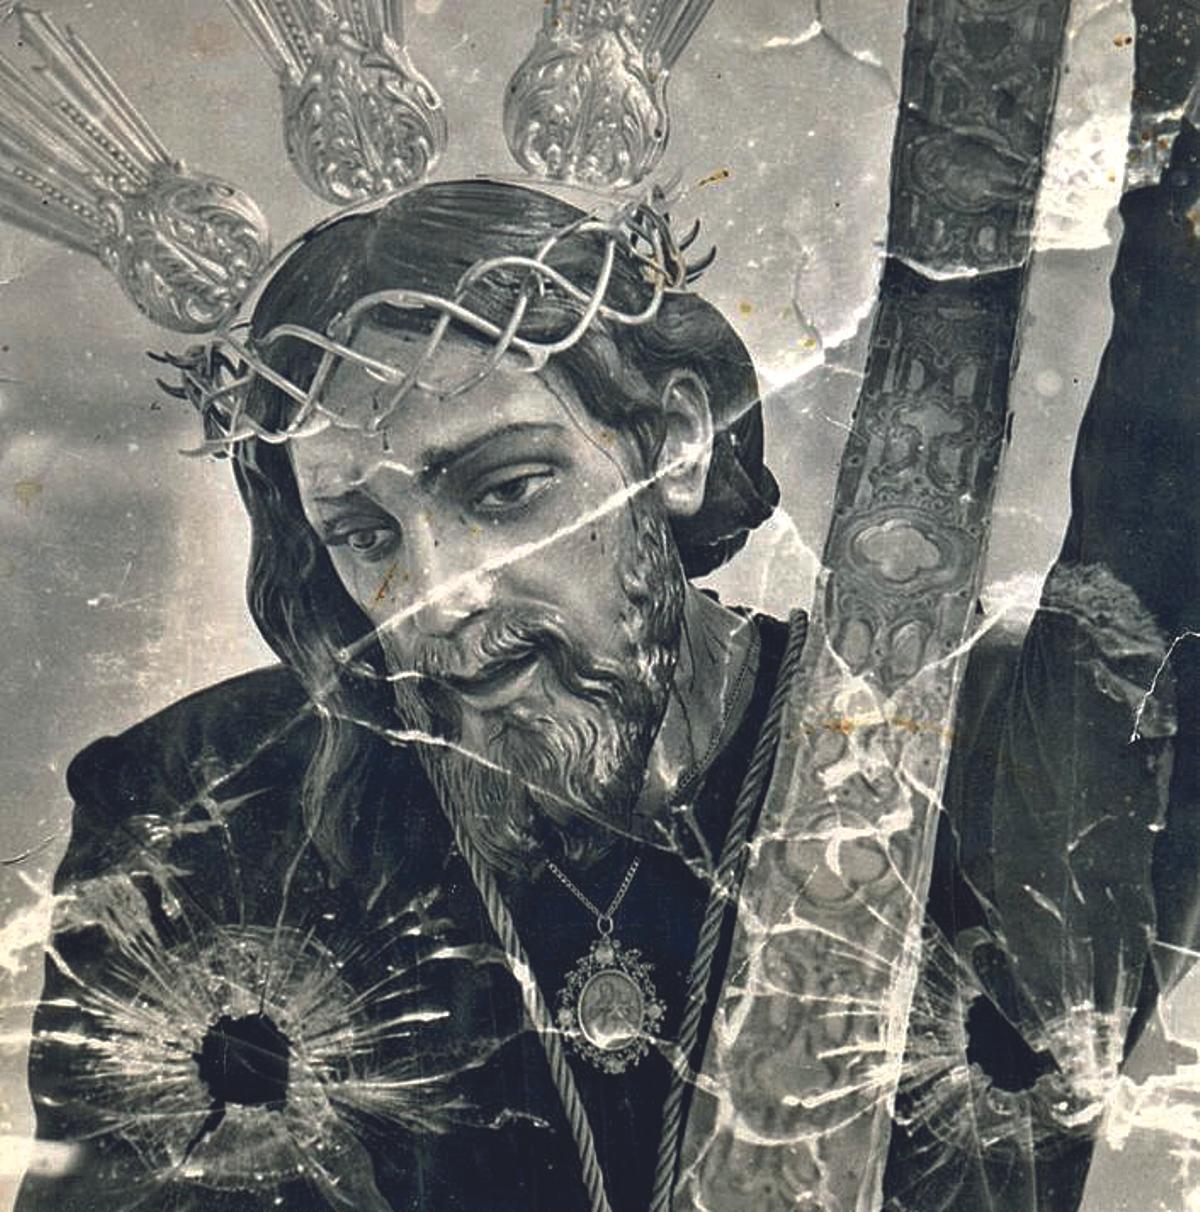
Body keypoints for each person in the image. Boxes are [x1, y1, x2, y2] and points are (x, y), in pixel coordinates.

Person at [13, 137, 1199, 1211]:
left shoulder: (976, 747)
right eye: (367, 537)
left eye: (506, 490)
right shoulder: (211, 821)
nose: (442, 592)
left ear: (675, 447)